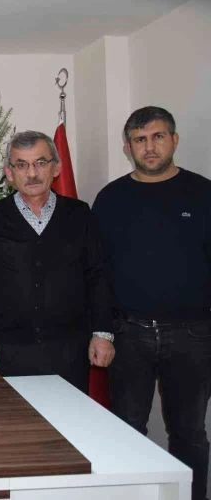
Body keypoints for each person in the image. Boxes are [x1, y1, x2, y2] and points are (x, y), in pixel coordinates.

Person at [93, 106, 211, 500]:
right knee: (126, 429)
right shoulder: (110, 199)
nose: (149, 147)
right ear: (128, 147)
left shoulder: (203, 193)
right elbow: (98, 272)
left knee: (190, 432)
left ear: (174, 140)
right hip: (128, 333)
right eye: (139, 139)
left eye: (158, 137)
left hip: (193, 334)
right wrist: (103, 330)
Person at [0, 130, 114, 392]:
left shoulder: (80, 214)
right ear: (9, 172)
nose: (32, 173)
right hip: (8, 350)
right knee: (14, 418)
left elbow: (97, 275)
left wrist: (103, 333)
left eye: (40, 163)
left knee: (69, 417)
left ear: (56, 168)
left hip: (69, 350)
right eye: (21, 165)